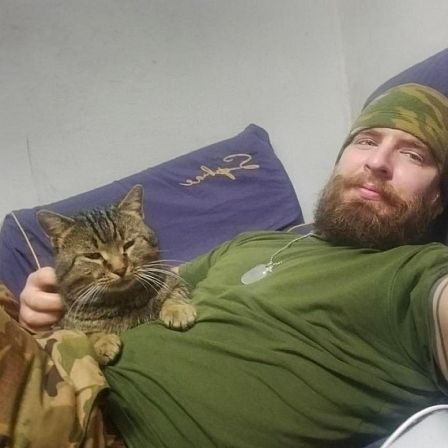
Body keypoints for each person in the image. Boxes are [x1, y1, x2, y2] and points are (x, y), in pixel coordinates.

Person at [16, 83, 448, 447]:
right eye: (366, 140)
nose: (377, 162)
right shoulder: (251, 242)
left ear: (437, 200)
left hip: (98, 430)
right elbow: (159, 279)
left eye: (414, 154)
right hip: (59, 371)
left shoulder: (417, 272)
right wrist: (52, 297)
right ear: (340, 160)